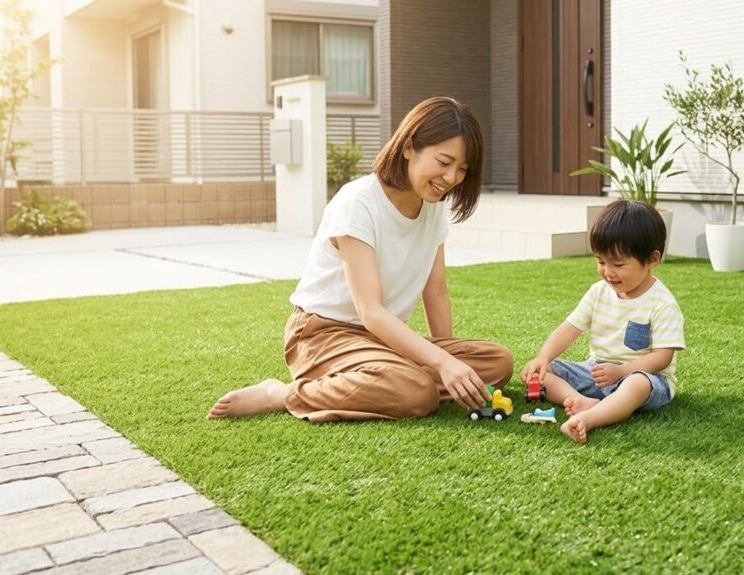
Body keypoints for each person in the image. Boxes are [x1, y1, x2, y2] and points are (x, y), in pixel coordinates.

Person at [208, 97, 513, 423]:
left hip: (382, 339)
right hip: (323, 334)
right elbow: (371, 311)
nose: (451, 177)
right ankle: (281, 394)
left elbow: (435, 292)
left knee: (498, 363)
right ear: (410, 147)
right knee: (417, 392)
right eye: (444, 162)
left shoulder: (434, 208)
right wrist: (442, 365)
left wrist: (448, 359)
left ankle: (388, 379)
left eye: (462, 169)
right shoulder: (358, 202)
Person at [520, 200, 685, 443]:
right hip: (597, 371)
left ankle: (589, 418)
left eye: (618, 264)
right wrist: (543, 358)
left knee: (636, 385)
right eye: (600, 261)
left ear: (651, 260)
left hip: (644, 377)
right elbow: (569, 328)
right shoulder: (598, 292)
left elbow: (663, 357)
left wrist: (621, 371)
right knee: (542, 374)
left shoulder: (662, 303)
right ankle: (580, 400)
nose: (608, 272)